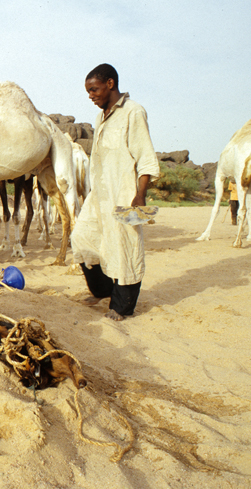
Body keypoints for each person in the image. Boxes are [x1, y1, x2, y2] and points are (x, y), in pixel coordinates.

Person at [71, 64, 160, 321]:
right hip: (99, 194)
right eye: (88, 91)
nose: (90, 95)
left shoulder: (134, 112)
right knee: (82, 238)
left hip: (124, 193)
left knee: (125, 246)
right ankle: (102, 290)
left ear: (110, 84)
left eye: (94, 89)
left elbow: (145, 156)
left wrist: (139, 195)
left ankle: (122, 307)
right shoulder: (101, 118)